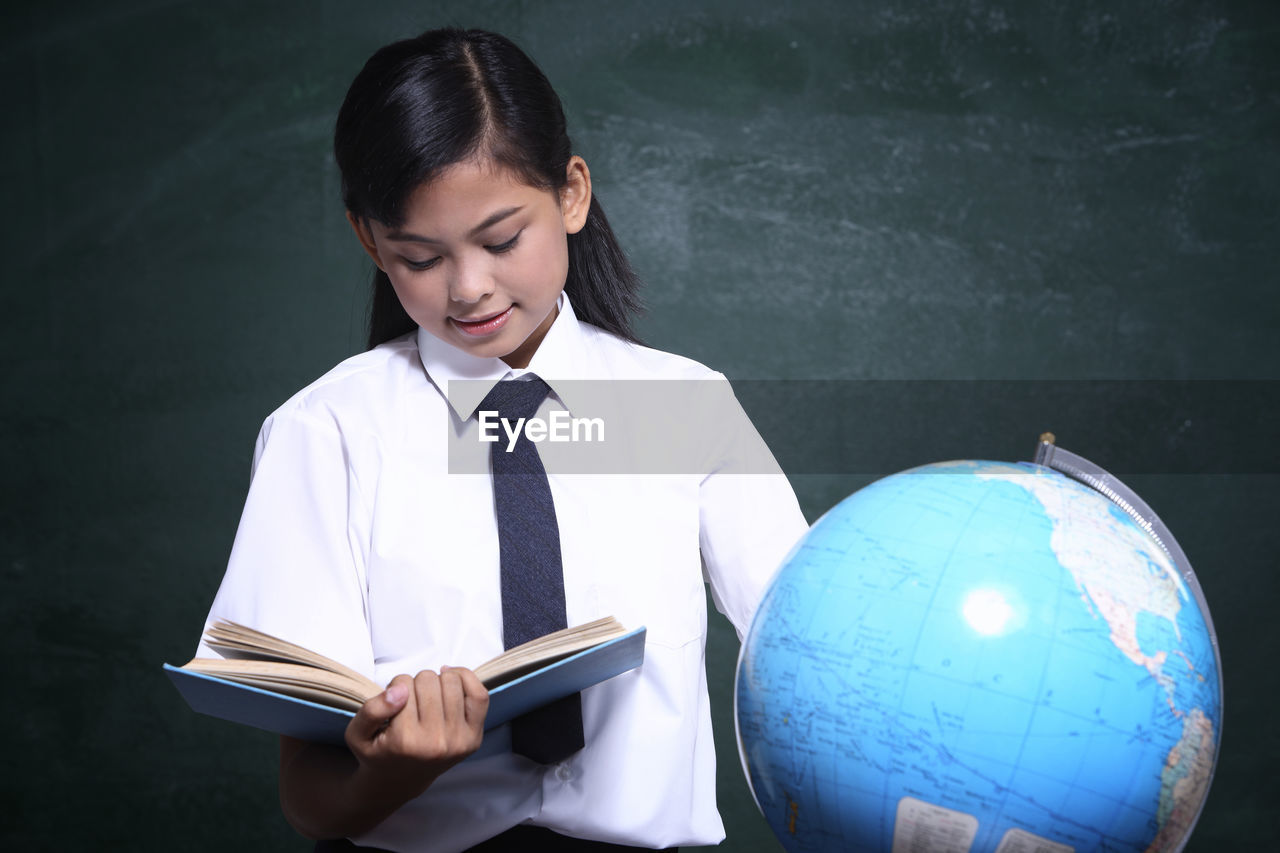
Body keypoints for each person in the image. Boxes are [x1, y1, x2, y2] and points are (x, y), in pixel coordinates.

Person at [196, 27, 808, 853]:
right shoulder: (330, 433)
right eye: (420, 256)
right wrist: (394, 771)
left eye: (501, 239)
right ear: (371, 242)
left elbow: (818, 646)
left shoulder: (679, 405)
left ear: (572, 195)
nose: (469, 287)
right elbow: (310, 798)